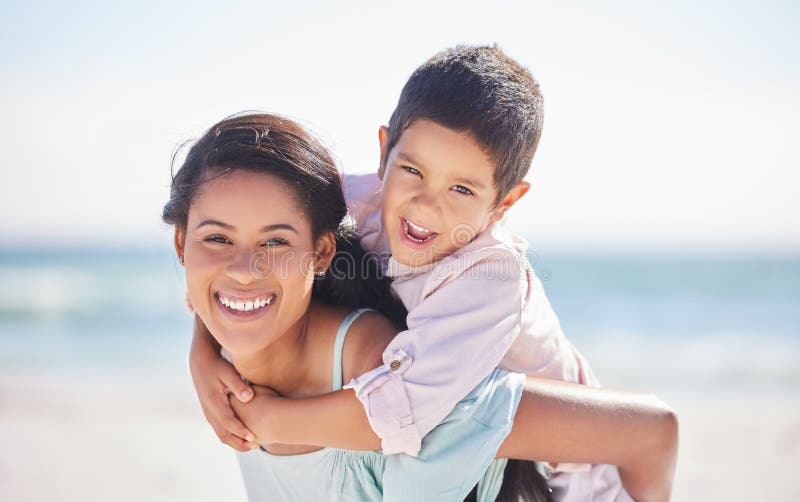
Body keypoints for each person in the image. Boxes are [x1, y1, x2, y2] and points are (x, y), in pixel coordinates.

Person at [190, 46, 641, 500]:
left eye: (462, 188)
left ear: (504, 203)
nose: (426, 204)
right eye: (412, 170)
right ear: (384, 154)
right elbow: (245, 266)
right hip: (481, 446)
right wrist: (203, 352)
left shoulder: (490, 278)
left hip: (572, 471)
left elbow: (400, 411)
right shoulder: (355, 200)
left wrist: (269, 420)